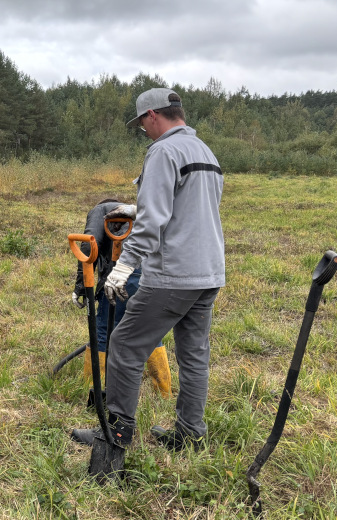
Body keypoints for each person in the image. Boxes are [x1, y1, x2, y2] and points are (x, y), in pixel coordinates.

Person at [71, 88, 224, 452]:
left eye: (142, 124)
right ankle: (190, 433)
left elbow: (155, 219)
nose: (145, 131)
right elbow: (186, 207)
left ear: (152, 116)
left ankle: (116, 434)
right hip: (208, 272)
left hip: (174, 275)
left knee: (124, 344)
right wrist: (135, 206)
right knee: (193, 354)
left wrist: (124, 266)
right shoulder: (205, 152)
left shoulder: (163, 151)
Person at [69, 199, 170, 407]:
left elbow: (89, 244)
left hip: (121, 275)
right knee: (148, 330)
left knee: (104, 330)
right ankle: (164, 391)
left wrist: (81, 286)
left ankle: (92, 385)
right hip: (150, 275)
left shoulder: (100, 211)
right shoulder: (131, 212)